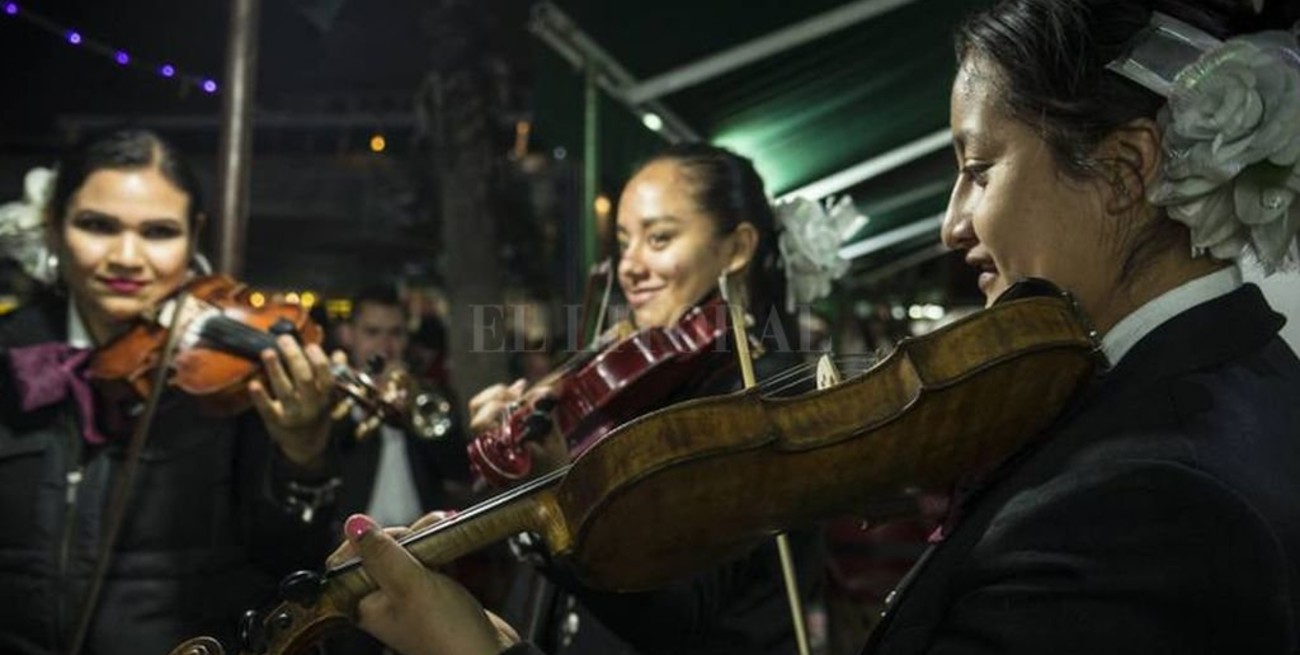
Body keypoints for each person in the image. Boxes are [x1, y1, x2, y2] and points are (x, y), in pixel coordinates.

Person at [326, 0, 1300, 652]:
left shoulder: (1147, 499)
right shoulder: (1225, 382)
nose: (951, 224)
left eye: (978, 169)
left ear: (1126, 171)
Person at [464, 143, 828, 655]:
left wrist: (560, 496)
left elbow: (681, 614)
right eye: (623, 242)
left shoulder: (762, 397)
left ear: (737, 248)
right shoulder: (652, 377)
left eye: (659, 238)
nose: (628, 266)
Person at [0, 128, 341, 654]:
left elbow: (288, 565)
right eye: (97, 225)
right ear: (54, 226)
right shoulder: (10, 355)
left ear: (193, 235)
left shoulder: (233, 380)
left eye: (159, 232)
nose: (127, 256)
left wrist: (304, 456)